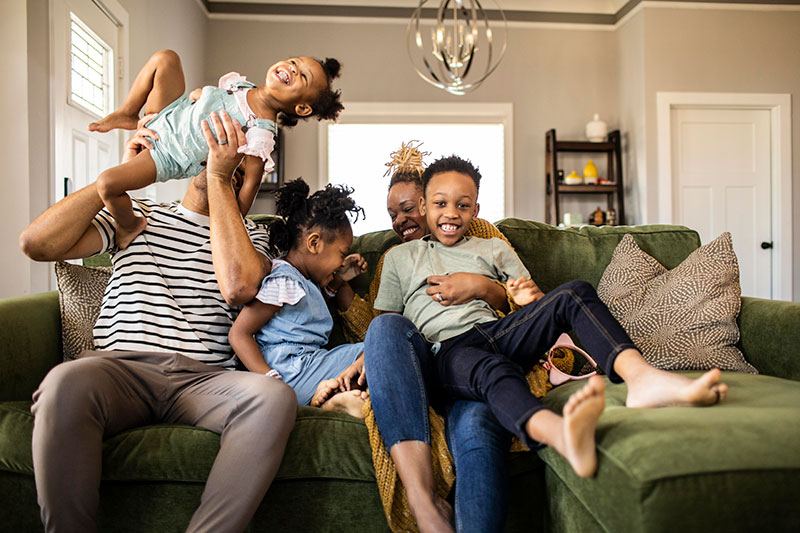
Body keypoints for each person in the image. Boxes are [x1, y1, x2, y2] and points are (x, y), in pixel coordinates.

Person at [368, 154, 730, 532]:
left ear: (477, 209)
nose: (451, 213)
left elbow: (531, 304)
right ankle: (556, 434)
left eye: (463, 205)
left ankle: (640, 377)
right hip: (446, 353)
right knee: (484, 398)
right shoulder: (400, 258)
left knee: (573, 294)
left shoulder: (493, 249)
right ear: (425, 205)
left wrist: (514, 297)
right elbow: (387, 333)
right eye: (440, 203)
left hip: (498, 335)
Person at [18, 110, 298, 532]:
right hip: (120, 369)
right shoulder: (137, 213)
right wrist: (124, 174)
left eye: (242, 155)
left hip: (203, 380)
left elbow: (239, 287)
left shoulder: (253, 237)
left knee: (273, 398)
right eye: (221, 147)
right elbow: (36, 244)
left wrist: (225, 181)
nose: (228, 155)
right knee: (62, 382)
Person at [319, 141, 537, 532]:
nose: (402, 220)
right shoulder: (395, 257)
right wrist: (343, 288)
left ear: (429, 202)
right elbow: (382, 325)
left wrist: (481, 287)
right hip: (422, 362)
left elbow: (523, 304)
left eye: (408, 208)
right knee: (385, 331)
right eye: (392, 214)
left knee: (478, 430)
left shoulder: (482, 236)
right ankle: (424, 502)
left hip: (477, 358)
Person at [88, 49, 343, 248]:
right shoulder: (241, 86)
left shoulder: (260, 132)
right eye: (294, 61)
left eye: (303, 75)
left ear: (302, 108)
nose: (292, 68)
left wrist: (231, 222)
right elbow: (211, 101)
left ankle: (129, 225)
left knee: (107, 184)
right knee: (166, 58)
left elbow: (251, 184)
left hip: (166, 153)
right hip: (167, 115)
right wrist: (199, 96)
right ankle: (128, 113)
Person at [229, 178, 369, 417]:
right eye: (341, 254)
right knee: (379, 347)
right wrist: (271, 381)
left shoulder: (302, 282)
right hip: (289, 374)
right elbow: (239, 334)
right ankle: (328, 397)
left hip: (308, 368)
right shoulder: (285, 280)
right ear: (314, 243)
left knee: (372, 357)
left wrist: (338, 280)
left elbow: (306, 314)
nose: (340, 262)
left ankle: (330, 401)